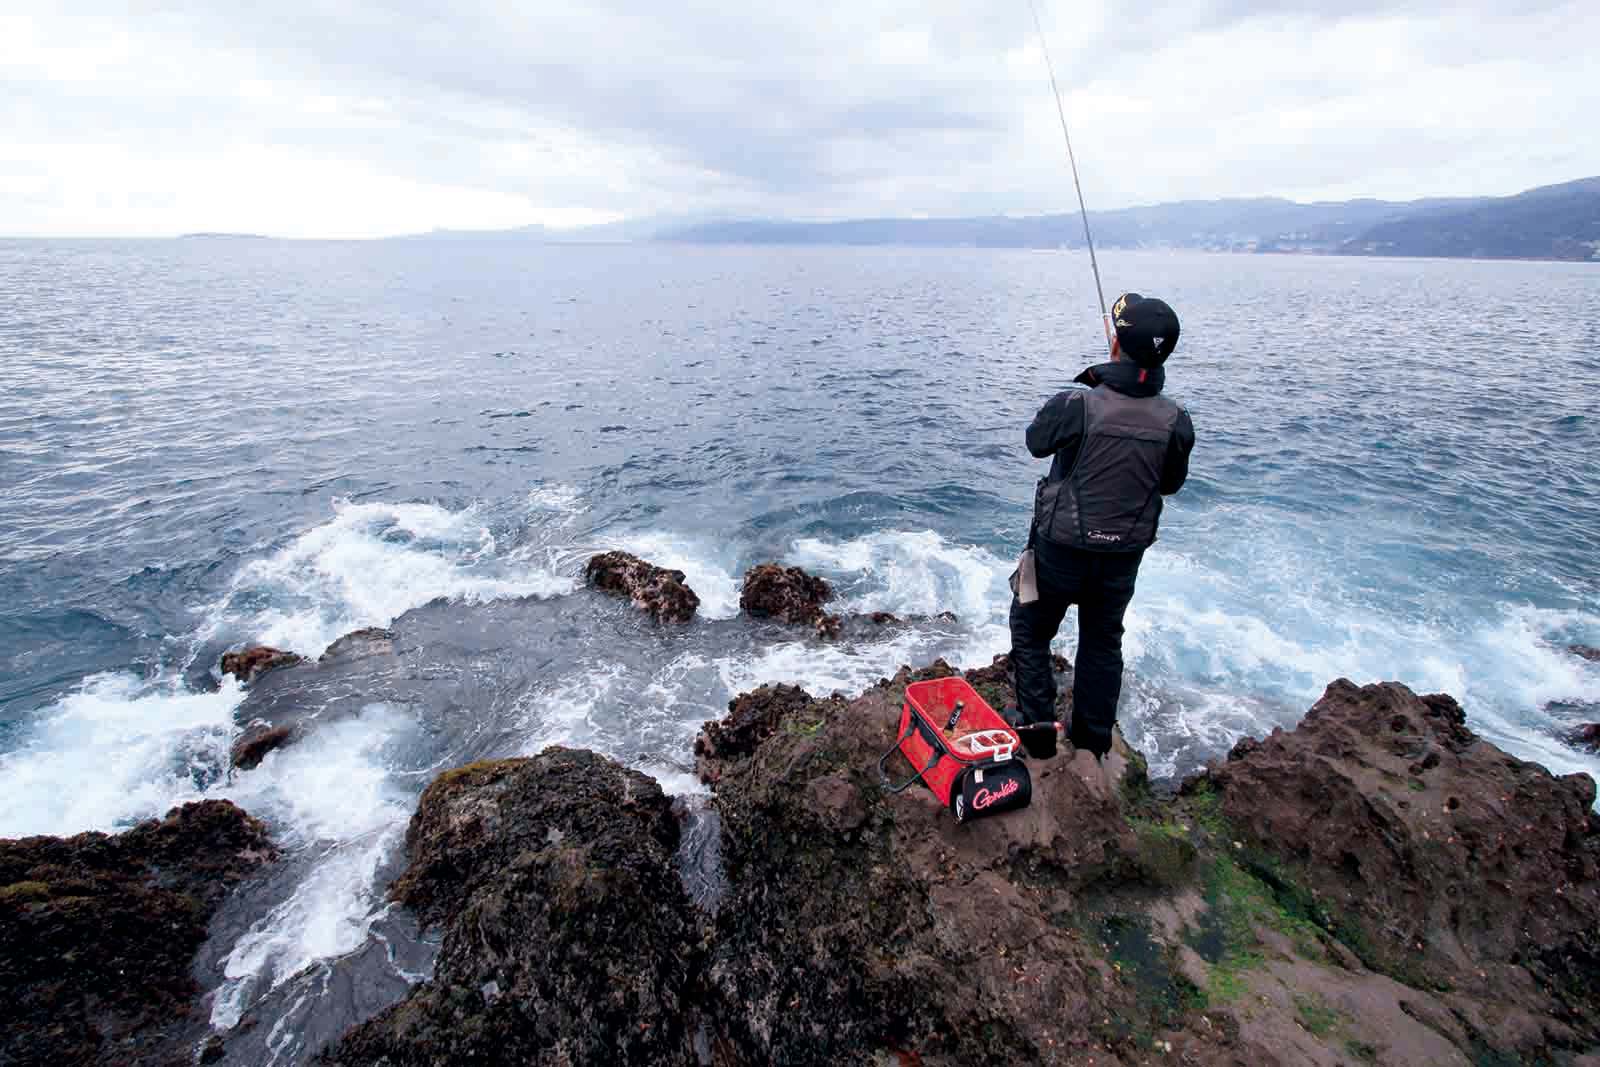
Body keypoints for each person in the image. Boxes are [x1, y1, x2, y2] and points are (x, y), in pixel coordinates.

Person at [1009, 292, 1195, 760]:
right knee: (1103, 640)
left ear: (1115, 344)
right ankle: (1092, 741)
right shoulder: (1177, 421)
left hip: (1060, 551)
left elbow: (1035, 442)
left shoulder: (1078, 404)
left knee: (1031, 630)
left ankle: (1036, 735)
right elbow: (1170, 484)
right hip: (1122, 558)